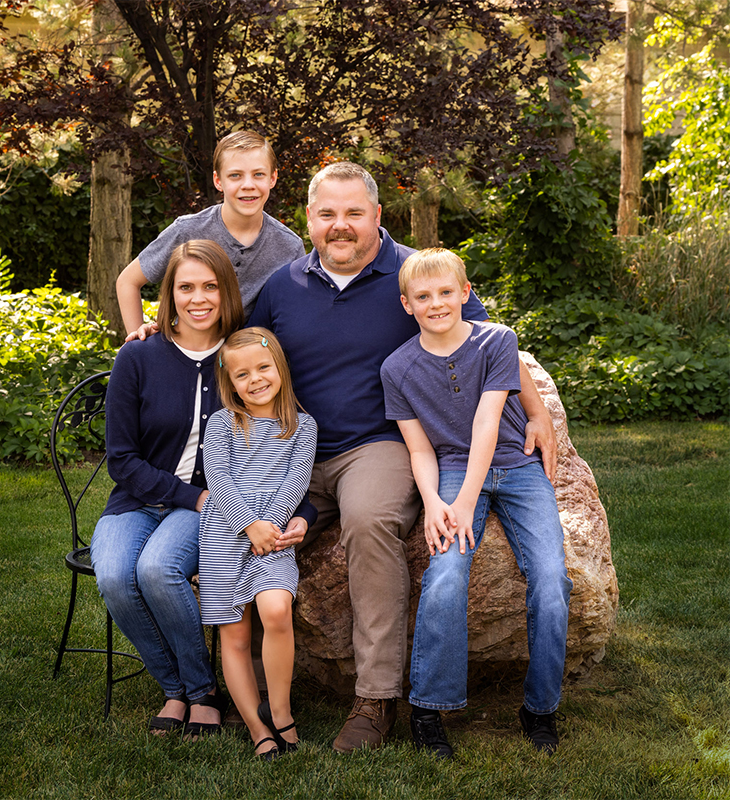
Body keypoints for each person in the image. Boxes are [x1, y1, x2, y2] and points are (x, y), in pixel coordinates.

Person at [248, 162, 558, 753]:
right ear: (307, 219)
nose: (341, 226)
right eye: (327, 214)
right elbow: (241, 356)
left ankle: (376, 698)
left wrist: (536, 406)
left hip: (378, 445)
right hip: (293, 447)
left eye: (353, 214)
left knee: (368, 521)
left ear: (377, 217)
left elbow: (485, 341)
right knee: (239, 524)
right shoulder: (282, 286)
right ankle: (241, 687)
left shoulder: (417, 274)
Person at [91, 240, 316, 738]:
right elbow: (121, 459)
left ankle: (200, 691)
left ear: (227, 291)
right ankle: (184, 687)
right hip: (142, 499)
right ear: (168, 295)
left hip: (212, 506)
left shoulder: (241, 357)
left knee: (157, 570)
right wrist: (193, 496)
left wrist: (299, 508)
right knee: (112, 577)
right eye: (185, 287)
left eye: (210, 286)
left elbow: (282, 434)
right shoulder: (139, 356)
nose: (199, 298)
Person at [380, 248, 573, 758]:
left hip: (517, 467)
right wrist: (434, 503)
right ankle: (429, 709)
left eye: (446, 292)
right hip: (451, 469)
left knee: (552, 579)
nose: (437, 303)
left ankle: (540, 707)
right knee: (445, 573)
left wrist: (464, 504)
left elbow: (488, 424)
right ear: (406, 304)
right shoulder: (396, 368)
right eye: (423, 297)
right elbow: (419, 448)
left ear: (466, 293)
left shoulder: (496, 340)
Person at [199, 328, 317, 759]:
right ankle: (256, 727)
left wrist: (271, 524)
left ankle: (280, 710)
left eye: (263, 368)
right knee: (234, 634)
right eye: (242, 374)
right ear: (230, 382)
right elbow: (219, 480)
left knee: (276, 609)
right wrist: (248, 524)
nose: (255, 379)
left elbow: (296, 481)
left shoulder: (302, 427)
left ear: (279, 368)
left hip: (274, 533)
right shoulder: (223, 424)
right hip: (226, 533)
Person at [116, 130, 305, 339]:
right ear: (218, 180)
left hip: (246, 363)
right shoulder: (188, 231)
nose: (248, 185)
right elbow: (128, 281)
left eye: (258, 174)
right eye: (235, 175)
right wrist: (138, 345)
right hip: (187, 353)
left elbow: (294, 316)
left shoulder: (290, 246)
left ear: (273, 178)